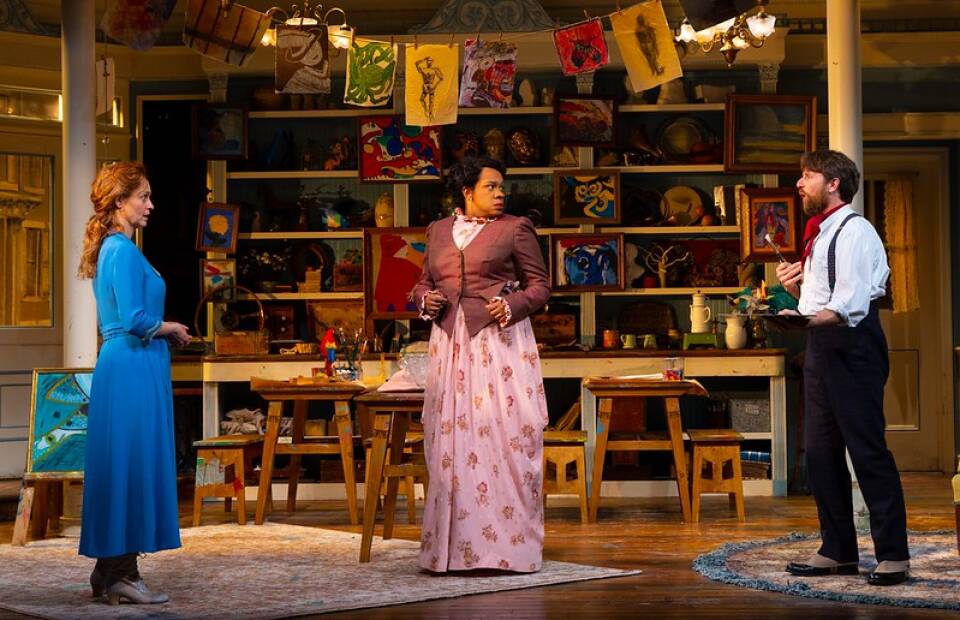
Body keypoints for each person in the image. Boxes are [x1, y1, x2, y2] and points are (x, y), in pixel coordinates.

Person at [411, 156, 551, 573]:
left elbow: (540, 286)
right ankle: (451, 552)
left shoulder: (516, 228)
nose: (500, 192)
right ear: (466, 192)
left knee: (503, 438)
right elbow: (423, 282)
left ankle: (508, 549)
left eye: (501, 186)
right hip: (450, 345)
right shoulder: (437, 231)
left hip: (498, 344)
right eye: (490, 186)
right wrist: (424, 300)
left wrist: (509, 305)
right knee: (451, 445)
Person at [776, 150, 909, 587]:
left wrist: (803, 319)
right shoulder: (818, 235)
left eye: (807, 175)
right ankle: (838, 549)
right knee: (819, 453)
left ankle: (893, 555)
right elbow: (817, 303)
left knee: (867, 451)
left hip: (853, 347)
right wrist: (796, 290)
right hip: (821, 346)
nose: (799, 183)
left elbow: (849, 304)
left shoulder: (856, 232)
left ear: (833, 183)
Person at [77, 162, 191, 604]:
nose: (150, 204)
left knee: (123, 464)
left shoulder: (114, 248)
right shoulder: (120, 249)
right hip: (130, 367)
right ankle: (122, 572)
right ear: (120, 202)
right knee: (131, 464)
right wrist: (171, 328)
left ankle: (109, 571)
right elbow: (134, 319)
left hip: (127, 363)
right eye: (142, 196)